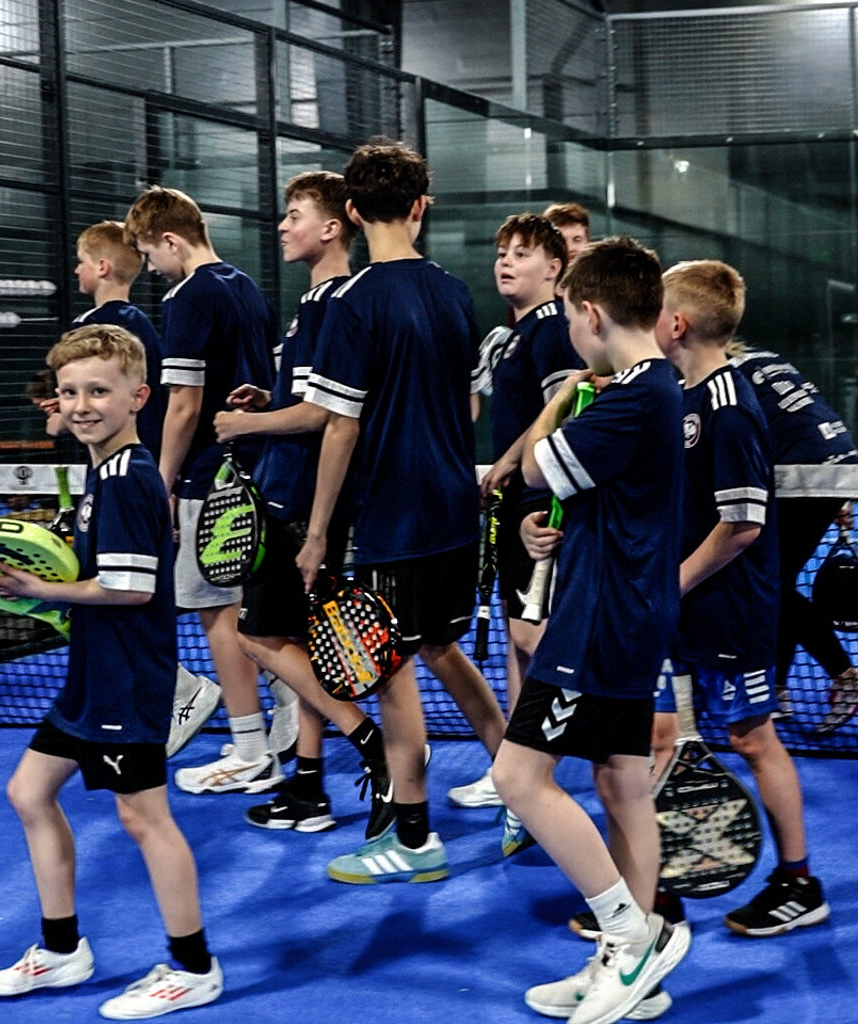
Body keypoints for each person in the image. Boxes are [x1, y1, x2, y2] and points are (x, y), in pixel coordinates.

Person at [0, 324, 222, 1016]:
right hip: (91, 678)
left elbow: (130, 589)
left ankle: (194, 968)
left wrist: (40, 588)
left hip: (127, 682)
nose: (82, 405)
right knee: (29, 793)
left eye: (99, 392)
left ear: (138, 397)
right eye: (70, 392)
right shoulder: (100, 473)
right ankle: (61, 952)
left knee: (145, 820)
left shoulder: (129, 478)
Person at [297, 140, 516, 883]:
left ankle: (414, 838)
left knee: (392, 672)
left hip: (394, 516)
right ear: (421, 206)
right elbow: (469, 405)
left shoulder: (352, 302)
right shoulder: (454, 292)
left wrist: (317, 533)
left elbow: (340, 426)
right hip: (455, 507)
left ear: (352, 212)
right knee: (443, 648)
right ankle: (520, 788)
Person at [491, 236, 690, 1024]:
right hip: (623, 607)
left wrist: (567, 392)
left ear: (592, 314)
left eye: (571, 316)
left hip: (601, 620)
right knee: (621, 781)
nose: (570, 331)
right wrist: (551, 532)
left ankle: (629, 936)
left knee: (517, 779)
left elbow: (536, 467)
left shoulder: (632, 395)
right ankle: (630, 967)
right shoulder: (653, 389)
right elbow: (597, 495)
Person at [651, 260, 828, 937]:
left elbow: (743, 525)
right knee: (658, 736)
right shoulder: (682, 395)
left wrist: (673, 582)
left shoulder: (728, 406)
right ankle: (655, 889)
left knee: (751, 738)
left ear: (677, 323)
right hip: (683, 607)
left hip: (731, 608)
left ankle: (798, 883)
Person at [213, 171, 392, 836]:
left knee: (255, 637)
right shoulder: (314, 305)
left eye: (295, 214)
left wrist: (246, 425)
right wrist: (270, 401)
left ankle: (370, 741)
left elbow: (325, 416)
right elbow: (309, 400)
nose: (283, 226)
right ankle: (309, 787)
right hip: (296, 497)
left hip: (296, 504)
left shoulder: (334, 305)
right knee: (299, 643)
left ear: (333, 227)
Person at [124, 185, 285, 783]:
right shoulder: (247, 287)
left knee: (219, 614)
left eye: (149, 254)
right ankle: (280, 726)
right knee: (255, 611)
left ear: (170, 240)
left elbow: (185, 404)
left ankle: (250, 750)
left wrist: (161, 481)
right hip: (259, 470)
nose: (150, 268)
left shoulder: (188, 295)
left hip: (208, 476)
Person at [465, 212, 577, 816]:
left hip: (543, 505)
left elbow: (562, 411)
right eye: (502, 252)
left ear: (554, 268)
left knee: (535, 637)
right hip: (515, 505)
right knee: (518, 639)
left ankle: (537, 771)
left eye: (522, 253)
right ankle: (515, 769)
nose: (506, 262)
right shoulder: (514, 335)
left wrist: (508, 462)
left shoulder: (553, 327)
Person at [726, 342, 858, 734]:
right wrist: (838, 489)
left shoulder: (714, 376)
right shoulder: (766, 357)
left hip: (802, 472)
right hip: (835, 462)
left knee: (770, 584)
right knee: (779, 581)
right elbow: (809, 413)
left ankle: (847, 677)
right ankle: (777, 688)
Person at [72, 220, 165, 458]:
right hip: (147, 450)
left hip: (107, 453)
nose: (77, 270)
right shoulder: (144, 324)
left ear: (102, 267)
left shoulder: (88, 326)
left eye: (81, 262)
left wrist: (63, 418)